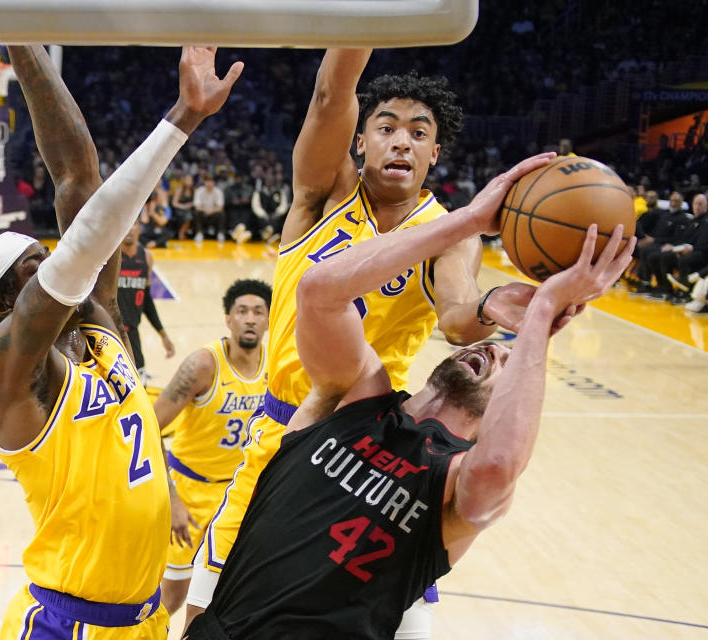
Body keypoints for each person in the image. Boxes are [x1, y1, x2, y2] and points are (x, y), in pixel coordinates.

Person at [185, 160, 636, 640]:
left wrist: (542, 318)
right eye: (504, 344)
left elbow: (500, 465)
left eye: (512, 359)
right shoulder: (354, 397)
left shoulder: (456, 485)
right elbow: (318, 291)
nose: (498, 348)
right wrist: (467, 221)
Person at [185, 50, 553, 637]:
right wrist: (362, 21)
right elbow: (332, 94)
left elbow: (457, 316)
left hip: (371, 448)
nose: (401, 142)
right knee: (210, 619)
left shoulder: (449, 237)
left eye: (418, 133)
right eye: (386, 128)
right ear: (360, 143)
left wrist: (487, 308)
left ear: (435, 153)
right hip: (282, 433)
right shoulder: (320, 198)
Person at [0, 45, 241, 639]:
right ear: (8, 305)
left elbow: (78, 179)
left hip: (143, 620)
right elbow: (80, 248)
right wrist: (180, 124)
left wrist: (22, 41)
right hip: (66, 625)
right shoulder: (8, 372)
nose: (56, 257)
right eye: (37, 264)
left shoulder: (98, 327)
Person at [154, 279, 271, 615]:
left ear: (268, 320)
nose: (250, 318)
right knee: (172, 598)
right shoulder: (203, 366)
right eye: (242, 311)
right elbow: (148, 429)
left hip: (239, 496)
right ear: (228, 319)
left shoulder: (277, 366)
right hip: (189, 494)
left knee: (216, 601)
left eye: (258, 312)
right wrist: (173, 500)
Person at [119, 219, 176, 377]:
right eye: (126, 224)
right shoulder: (111, 256)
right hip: (110, 331)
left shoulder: (146, 257)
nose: (130, 229)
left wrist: (163, 335)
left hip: (132, 332)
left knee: (139, 383)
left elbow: (146, 301)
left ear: (140, 228)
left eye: (134, 224)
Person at [192, 174, 225, 242]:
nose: (209, 183)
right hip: (203, 213)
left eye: (211, 181)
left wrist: (211, 211)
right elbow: (197, 206)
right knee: (196, 213)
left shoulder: (218, 192)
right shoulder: (199, 191)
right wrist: (206, 210)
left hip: (214, 214)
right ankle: (199, 233)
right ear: (204, 182)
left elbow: (220, 207)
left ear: (214, 182)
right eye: (207, 181)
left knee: (222, 214)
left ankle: (220, 233)